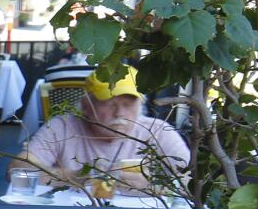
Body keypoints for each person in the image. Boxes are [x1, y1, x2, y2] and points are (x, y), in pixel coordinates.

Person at [22, 69, 190, 191]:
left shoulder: (157, 131)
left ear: (140, 105)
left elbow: (192, 182)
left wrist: (152, 185)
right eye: (109, 104)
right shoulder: (62, 127)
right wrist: (77, 176)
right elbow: (19, 169)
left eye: (128, 104)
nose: (119, 113)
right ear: (86, 106)